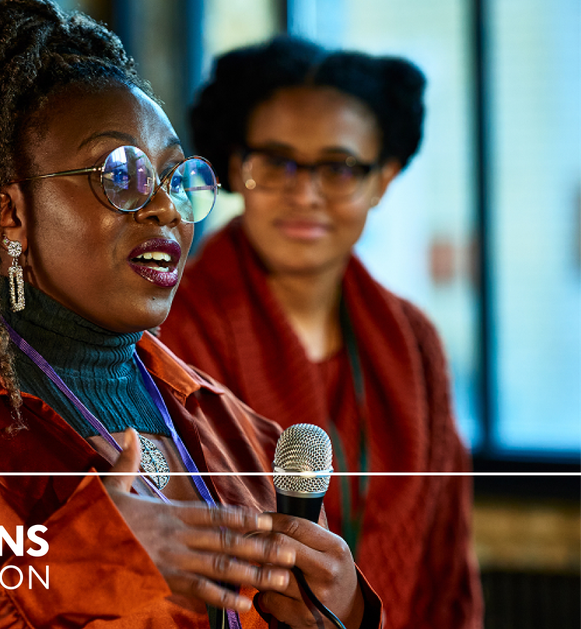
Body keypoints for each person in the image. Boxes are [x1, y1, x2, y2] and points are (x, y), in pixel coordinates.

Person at [0, 4, 382, 628]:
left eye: (178, 180)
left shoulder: (238, 436)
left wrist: (341, 613)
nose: (165, 210)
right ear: (9, 213)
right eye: (121, 175)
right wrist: (72, 570)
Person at [159, 37, 483, 628]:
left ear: (382, 179)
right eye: (275, 162)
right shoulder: (169, 328)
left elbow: (446, 569)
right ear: (236, 168)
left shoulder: (414, 342)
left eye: (337, 168)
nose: (304, 194)